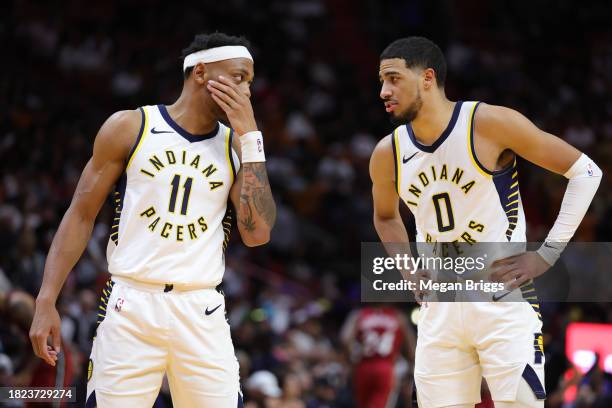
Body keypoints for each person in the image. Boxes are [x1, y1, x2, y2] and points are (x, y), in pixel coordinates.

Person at [29, 32, 276, 407]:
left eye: (250, 83)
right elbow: (80, 214)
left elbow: (258, 234)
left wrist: (251, 137)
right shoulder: (131, 127)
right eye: (239, 77)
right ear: (200, 72)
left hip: (201, 307)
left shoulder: (236, 146)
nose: (247, 91)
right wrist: (47, 299)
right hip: (131, 303)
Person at [370, 37, 601, 408]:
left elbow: (586, 172)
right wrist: (409, 271)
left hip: (501, 299)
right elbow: (385, 216)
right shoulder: (388, 152)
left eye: (394, 78)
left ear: (427, 78)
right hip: (439, 308)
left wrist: (546, 255)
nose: (384, 91)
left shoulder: (489, 122)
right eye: (382, 81)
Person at [340, 304, 416, 408]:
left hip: (363, 366)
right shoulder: (398, 316)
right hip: (386, 367)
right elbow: (411, 349)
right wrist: (410, 369)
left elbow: (345, 339)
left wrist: (351, 361)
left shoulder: (359, 314)